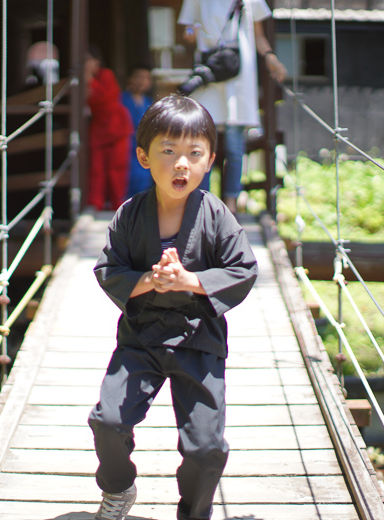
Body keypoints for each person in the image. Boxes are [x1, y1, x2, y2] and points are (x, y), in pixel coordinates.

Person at [88, 95, 258, 520]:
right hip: (141, 336)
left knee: (206, 447)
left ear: (210, 160)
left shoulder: (217, 216)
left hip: (198, 339)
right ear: (144, 156)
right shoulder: (130, 214)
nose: (181, 164)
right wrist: (148, 280)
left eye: (194, 154)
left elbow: (244, 269)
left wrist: (192, 281)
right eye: (168, 151)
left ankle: (194, 513)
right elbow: (108, 267)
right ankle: (118, 488)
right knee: (108, 420)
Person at [178, 0, 287, 213]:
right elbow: (187, 27)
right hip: (211, 73)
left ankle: (230, 206)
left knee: (235, 148)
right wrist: (191, 33)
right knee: (202, 146)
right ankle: (203, 203)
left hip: (238, 76)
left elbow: (258, 35)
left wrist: (270, 57)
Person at [85, 45, 133, 211]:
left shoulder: (105, 75)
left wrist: (90, 82)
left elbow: (105, 99)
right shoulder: (84, 80)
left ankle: (117, 205)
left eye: (88, 60)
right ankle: (95, 203)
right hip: (99, 129)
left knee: (117, 169)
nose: (86, 64)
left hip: (116, 127)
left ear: (97, 61)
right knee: (97, 168)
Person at [121, 64, 155, 199]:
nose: (142, 81)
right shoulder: (121, 99)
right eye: (138, 77)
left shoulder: (149, 103)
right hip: (125, 146)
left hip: (143, 147)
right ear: (130, 79)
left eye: (146, 78)